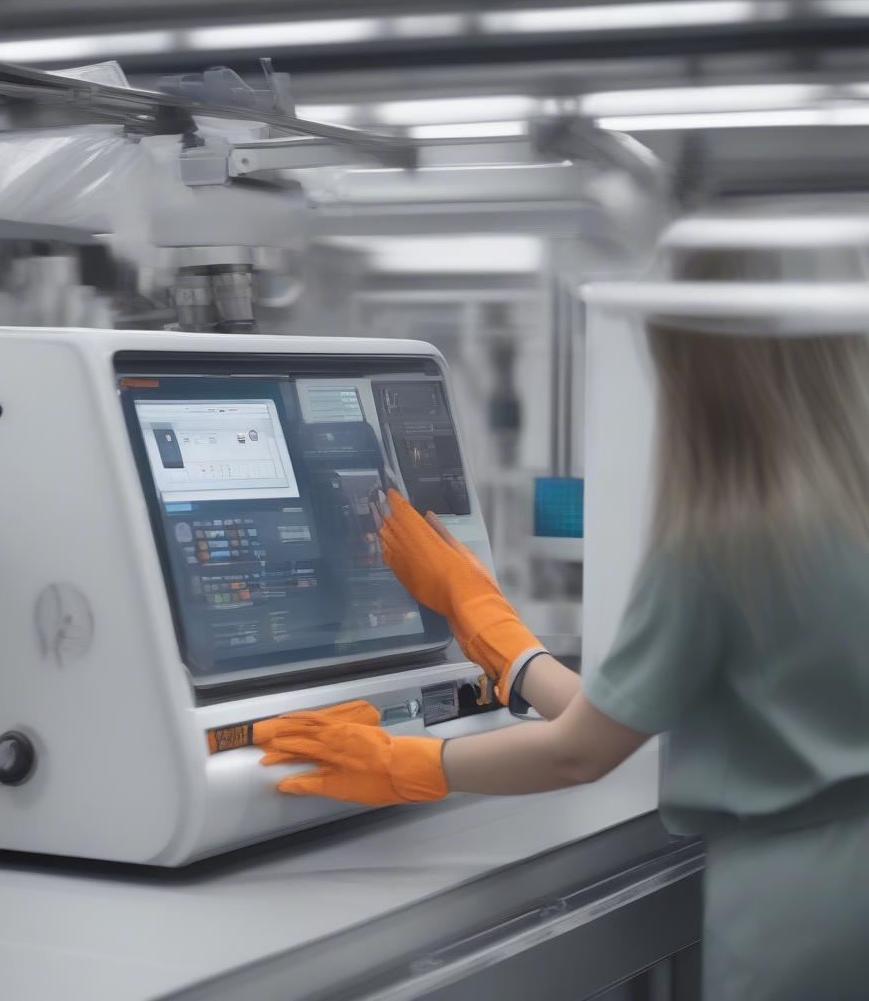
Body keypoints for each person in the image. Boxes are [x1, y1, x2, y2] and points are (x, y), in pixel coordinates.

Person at [253, 314, 869, 1000]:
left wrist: (403, 765)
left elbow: (584, 751)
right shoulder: (847, 506)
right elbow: (617, 719)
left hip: (793, 910)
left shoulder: (727, 535)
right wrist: (498, 636)